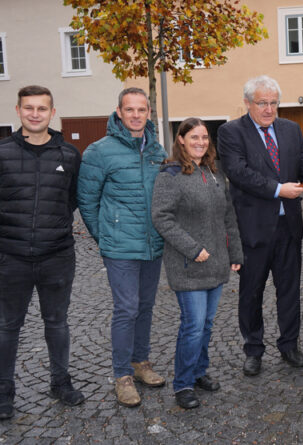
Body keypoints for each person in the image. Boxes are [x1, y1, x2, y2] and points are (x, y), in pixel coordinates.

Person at [0, 85, 85, 419]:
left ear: (52, 113)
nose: (35, 114)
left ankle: (60, 381)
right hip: (11, 257)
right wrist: (15, 230)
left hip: (56, 256)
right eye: (28, 108)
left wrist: (49, 229)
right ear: (18, 111)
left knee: (57, 323)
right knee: (8, 325)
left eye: (42, 108)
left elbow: (71, 200)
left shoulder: (69, 155)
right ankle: (4, 391)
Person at [218, 76, 303, 377]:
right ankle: (253, 349)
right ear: (248, 103)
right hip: (253, 229)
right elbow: (238, 172)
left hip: (289, 228)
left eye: (273, 103)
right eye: (262, 103)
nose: (269, 109)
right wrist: (277, 189)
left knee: (289, 290)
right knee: (251, 293)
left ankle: (289, 345)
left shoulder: (291, 129)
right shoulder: (231, 132)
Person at [78, 87, 168, 408]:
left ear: (148, 113)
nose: (135, 115)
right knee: (126, 308)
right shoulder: (98, 152)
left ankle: (140, 363)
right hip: (119, 247)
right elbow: (87, 202)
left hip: (151, 243)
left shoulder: (157, 149)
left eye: (141, 110)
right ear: (119, 112)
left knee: (145, 307)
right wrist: (105, 238)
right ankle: (121, 375)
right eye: (129, 110)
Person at [151, 118, 243, 409]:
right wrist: (193, 249)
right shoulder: (171, 175)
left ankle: (199, 371)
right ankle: (183, 384)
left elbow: (228, 215)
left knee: (206, 324)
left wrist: (236, 253)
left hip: (215, 263)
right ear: (180, 140)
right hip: (188, 265)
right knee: (192, 325)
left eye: (204, 137)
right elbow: (161, 217)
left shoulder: (214, 172)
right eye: (194, 137)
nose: (201, 142)